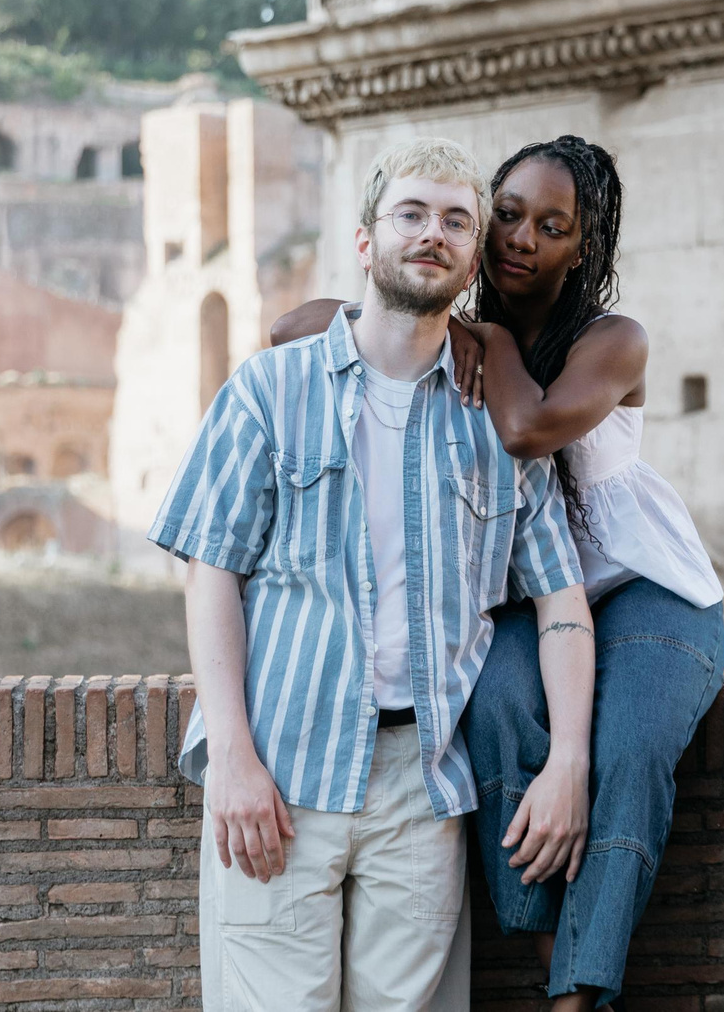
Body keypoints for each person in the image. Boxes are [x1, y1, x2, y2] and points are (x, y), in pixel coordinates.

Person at [275, 135, 724, 1012]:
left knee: (629, 746)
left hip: (645, 587)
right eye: (508, 215)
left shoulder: (612, 339)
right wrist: (433, 315)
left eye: (549, 226)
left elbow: (529, 428)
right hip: (537, 599)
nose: (522, 238)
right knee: (492, 706)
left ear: (582, 246)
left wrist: (481, 335)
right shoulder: (450, 325)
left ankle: (575, 996)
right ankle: (547, 930)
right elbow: (290, 329)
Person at [150, 138, 599, 1012]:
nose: (433, 232)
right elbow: (211, 574)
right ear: (366, 242)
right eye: (412, 212)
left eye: (457, 221)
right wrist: (233, 757)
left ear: (473, 261)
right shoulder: (269, 391)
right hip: (280, 776)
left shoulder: (494, 429)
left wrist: (570, 761)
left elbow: (562, 601)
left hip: (420, 790)